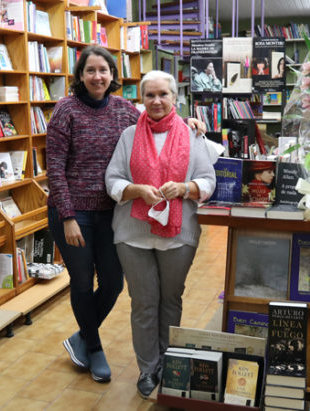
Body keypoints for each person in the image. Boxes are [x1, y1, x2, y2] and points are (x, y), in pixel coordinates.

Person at [46, 46, 205, 384]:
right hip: (74, 212)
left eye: (103, 70)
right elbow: (55, 169)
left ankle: (81, 337)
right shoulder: (65, 110)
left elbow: (159, 117)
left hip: (112, 212)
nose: (97, 77)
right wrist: (68, 215)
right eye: (90, 70)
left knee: (114, 284)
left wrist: (189, 119)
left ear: (113, 74)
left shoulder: (123, 109)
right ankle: (94, 346)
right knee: (82, 280)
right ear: (80, 75)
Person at [105, 70, 216, 398]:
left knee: (170, 299)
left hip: (178, 235)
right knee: (143, 303)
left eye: (162, 94)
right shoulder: (128, 136)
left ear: (174, 98)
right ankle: (147, 368)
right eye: (149, 95)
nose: (156, 101)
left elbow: (208, 182)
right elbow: (112, 180)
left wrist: (185, 188)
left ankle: (169, 362)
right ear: (142, 99)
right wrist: (135, 189)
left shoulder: (192, 135)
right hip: (132, 234)